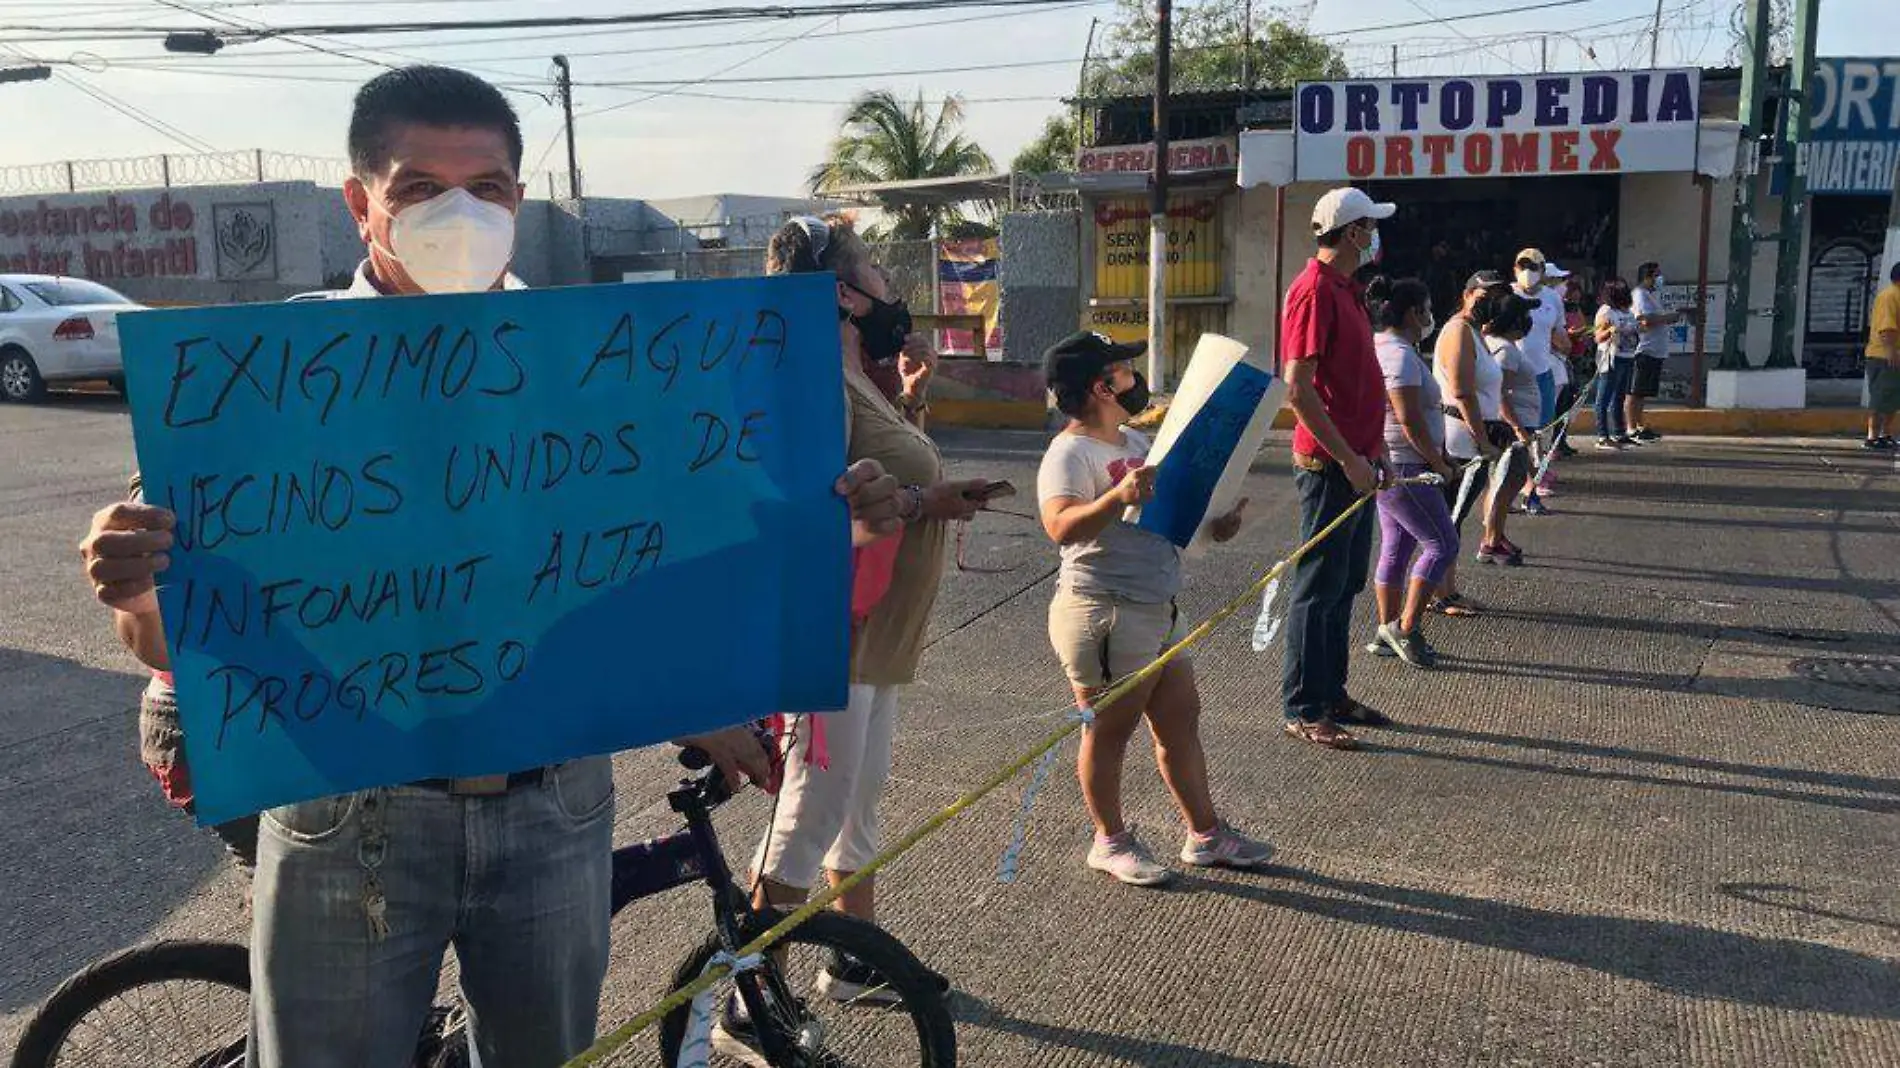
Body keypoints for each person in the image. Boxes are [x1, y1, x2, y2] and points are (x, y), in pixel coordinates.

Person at [73, 66, 906, 1068]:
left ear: (519, 199)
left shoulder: (610, 376)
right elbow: (170, 637)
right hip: (351, 814)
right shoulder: (254, 382)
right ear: (359, 204)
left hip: (553, 807)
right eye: (420, 190)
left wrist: (833, 528)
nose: (459, 216)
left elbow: (640, 583)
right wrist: (131, 591)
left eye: (491, 191)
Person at [743, 213, 987, 1031]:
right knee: (808, 819)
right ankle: (749, 999)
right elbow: (817, 512)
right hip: (836, 641)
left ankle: (853, 959)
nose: (890, 287)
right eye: (875, 273)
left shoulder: (855, 375)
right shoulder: (814, 376)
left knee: (856, 809)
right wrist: (928, 502)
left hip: (878, 639)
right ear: (842, 294)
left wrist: (911, 412)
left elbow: (872, 474)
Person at [1036, 331, 1268, 886]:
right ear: (1100, 386)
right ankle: (1109, 841)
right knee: (1109, 731)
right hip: (1105, 610)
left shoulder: (1136, 446)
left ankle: (1206, 835)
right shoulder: (1070, 452)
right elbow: (1060, 526)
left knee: (1180, 721)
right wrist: (1117, 498)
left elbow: (1167, 514)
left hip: (1157, 605)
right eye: (1123, 370)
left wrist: (1218, 524)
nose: (1134, 379)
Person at [1279, 186, 1397, 752]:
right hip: (1331, 467)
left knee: (1344, 584)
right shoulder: (1314, 293)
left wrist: (1378, 453)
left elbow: (1357, 385)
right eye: (1370, 226)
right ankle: (1303, 706)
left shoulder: (1347, 292)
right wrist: (1351, 460)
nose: (1375, 236)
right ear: (1353, 233)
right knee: (1317, 587)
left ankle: (1331, 692)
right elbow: (1298, 388)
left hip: (1358, 463)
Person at [1365, 278, 1458, 668]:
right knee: (1442, 545)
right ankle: (1406, 628)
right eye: (1426, 308)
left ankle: (1386, 630)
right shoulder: (1400, 356)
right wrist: (1438, 463)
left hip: (1391, 463)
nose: (1429, 316)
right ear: (1412, 313)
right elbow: (1408, 418)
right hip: (1407, 464)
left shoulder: (1380, 347)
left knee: (1397, 547)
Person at [1429, 270, 1509, 618]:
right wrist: (1483, 439)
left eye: (1495, 296)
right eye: (1483, 296)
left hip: (1472, 438)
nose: (1489, 302)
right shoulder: (1459, 330)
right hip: (1460, 439)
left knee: (1453, 521)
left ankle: (1447, 589)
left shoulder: (1476, 332)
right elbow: (1461, 391)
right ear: (1467, 294)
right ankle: (1438, 593)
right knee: (1447, 520)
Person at [1478, 293, 1540, 565]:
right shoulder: (1505, 350)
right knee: (1506, 484)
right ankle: (1491, 541)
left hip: (1514, 424)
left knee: (1502, 483)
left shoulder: (1496, 345)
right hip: (1513, 427)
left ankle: (1496, 536)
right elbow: (1500, 394)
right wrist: (1518, 429)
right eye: (1524, 316)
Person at [1510, 249, 1572, 511]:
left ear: (1543, 270)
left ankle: (1533, 481)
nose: (1527, 271)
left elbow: (1560, 334)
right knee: (1516, 432)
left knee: (1542, 432)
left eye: (1533, 266)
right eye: (1521, 265)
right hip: (1511, 376)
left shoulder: (1552, 299)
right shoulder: (1506, 295)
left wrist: (1569, 344)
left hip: (1543, 373)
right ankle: (1519, 485)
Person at [1627, 261, 1681, 442]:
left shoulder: (1651, 295)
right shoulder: (1639, 295)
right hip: (1644, 349)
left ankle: (1640, 425)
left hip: (1655, 350)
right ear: (1647, 276)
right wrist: (1668, 317)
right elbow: (1644, 320)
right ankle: (1631, 427)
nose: (1660, 278)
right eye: (1657, 275)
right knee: (1635, 391)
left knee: (1643, 392)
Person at [1593, 278, 1641, 449]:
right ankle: (1602, 435)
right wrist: (1611, 331)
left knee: (1619, 397)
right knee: (1603, 397)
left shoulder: (1627, 311)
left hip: (1628, 356)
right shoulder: (1606, 311)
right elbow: (1598, 337)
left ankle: (1619, 433)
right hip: (1611, 358)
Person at [1863, 260, 1900, 450]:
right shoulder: (1890, 296)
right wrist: (1892, 351)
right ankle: (1872, 436)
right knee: (1880, 397)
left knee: (1893, 398)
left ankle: (1886, 434)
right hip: (1884, 356)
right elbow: (1887, 328)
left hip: (1891, 355)